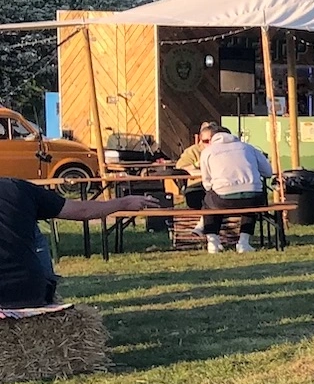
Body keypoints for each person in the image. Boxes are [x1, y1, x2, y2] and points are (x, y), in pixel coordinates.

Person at [0, 178, 158, 308]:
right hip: (30, 292)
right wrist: (124, 202)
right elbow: (82, 211)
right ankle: (46, 288)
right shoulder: (18, 188)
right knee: (32, 227)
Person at [198, 128, 275, 253]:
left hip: (223, 198)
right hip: (254, 197)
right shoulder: (248, 148)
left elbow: (206, 182)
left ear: (213, 138)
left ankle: (213, 242)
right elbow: (268, 172)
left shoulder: (208, 151)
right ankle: (243, 243)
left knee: (209, 202)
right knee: (249, 204)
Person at [174, 121, 221, 209]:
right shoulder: (192, 151)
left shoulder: (221, 150)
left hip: (218, 185)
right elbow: (180, 168)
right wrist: (196, 165)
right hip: (197, 185)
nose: (210, 144)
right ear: (200, 138)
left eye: (213, 140)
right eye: (206, 141)